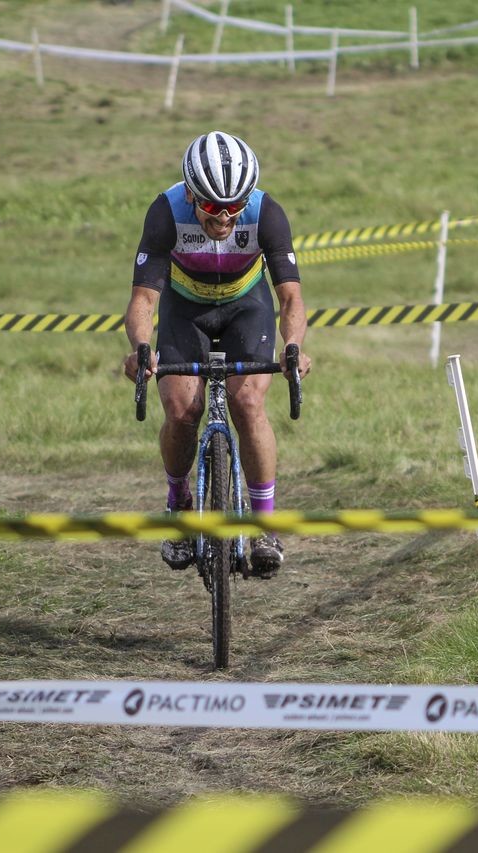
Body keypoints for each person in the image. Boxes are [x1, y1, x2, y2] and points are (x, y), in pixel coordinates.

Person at [122, 130, 311, 579]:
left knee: (248, 403)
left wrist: (293, 347)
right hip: (186, 310)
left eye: (234, 206)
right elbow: (143, 301)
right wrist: (141, 349)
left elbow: (290, 299)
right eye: (210, 206)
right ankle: (179, 505)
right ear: (191, 193)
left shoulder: (266, 212)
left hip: (248, 306)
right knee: (183, 409)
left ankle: (264, 526)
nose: (224, 218)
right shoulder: (166, 212)